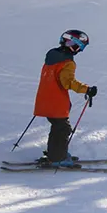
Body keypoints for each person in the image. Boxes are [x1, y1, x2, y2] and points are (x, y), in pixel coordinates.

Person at [33, 30, 97, 166]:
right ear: (73, 45)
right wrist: (87, 89)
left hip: (44, 100)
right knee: (62, 129)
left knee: (58, 127)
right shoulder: (67, 63)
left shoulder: (52, 57)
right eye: (79, 47)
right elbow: (67, 82)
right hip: (56, 102)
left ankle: (56, 153)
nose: (79, 51)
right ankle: (57, 158)